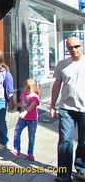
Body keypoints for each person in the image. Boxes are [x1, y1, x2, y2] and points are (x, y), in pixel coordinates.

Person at [50, 36, 85, 182]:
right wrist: (52, 105)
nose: (73, 50)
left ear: (82, 45)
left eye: (76, 46)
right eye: (70, 47)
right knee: (65, 141)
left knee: (84, 141)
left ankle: (81, 170)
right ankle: (63, 174)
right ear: (66, 48)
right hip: (66, 108)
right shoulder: (62, 64)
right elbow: (57, 84)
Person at [9, 78, 40, 161]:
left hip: (32, 120)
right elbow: (23, 103)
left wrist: (25, 112)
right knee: (17, 132)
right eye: (25, 88)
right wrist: (15, 105)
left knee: (31, 137)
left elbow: (32, 106)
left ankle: (30, 153)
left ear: (34, 88)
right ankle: (16, 149)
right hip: (23, 119)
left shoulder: (35, 97)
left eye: (28, 88)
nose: (25, 90)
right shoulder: (23, 95)